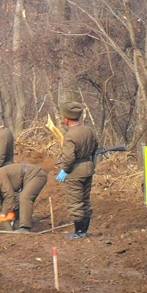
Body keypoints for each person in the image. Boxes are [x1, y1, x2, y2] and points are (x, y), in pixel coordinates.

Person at [55, 101, 97, 239]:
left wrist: (65, 170)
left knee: (75, 202)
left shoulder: (70, 135)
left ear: (66, 119)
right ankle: (84, 230)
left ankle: (79, 232)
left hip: (75, 172)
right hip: (88, 168)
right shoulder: (89, 130)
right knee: (85, 200)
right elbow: (95, 147)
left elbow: (68, 158)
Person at [0, 163, 47, 233]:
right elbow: (3, 199)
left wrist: (3, 214)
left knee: (24, 197)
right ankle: (19, 226)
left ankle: (25, 228)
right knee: (18, 201)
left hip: (36, 175)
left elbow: (10, 196)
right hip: (28, 178)